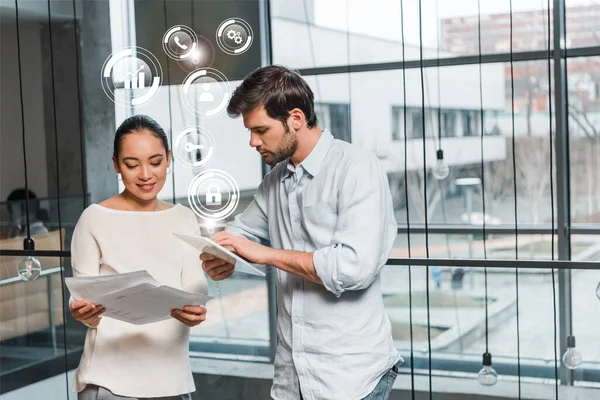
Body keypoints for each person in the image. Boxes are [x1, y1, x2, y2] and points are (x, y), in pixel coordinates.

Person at [200, 65, 403, 400]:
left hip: (350, 380)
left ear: (295, 117)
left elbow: (354, 267)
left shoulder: (357, 168)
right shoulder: (274, 183)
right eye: (250, 131)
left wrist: (266, 255)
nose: (253, 141)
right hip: (291, 379)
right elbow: (240, 234)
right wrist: (222, 256)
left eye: (261, 130)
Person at [69, 115, 208, 400]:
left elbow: (194, 282)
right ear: (116, 165)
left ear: (169, 158)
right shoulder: (94, 218)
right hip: (109, 381)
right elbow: (81, 293)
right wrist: (83, 312)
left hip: (172, 379)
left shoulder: (183, 217)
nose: (145, 174)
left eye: (155, 162)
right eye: (132, 165)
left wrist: (196, 308)